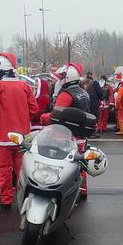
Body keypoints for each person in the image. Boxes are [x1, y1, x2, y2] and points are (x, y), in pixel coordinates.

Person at [0, 53, 39, 209]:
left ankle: (6, 200)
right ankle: (23, 198)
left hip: (2, 136)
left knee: (4, 170)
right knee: (22, 170)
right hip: (23, 136)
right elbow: (34, 110)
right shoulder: (24, 86)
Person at [40, 63, 92, 197]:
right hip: (81, 134)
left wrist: (42, 117)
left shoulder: (66, 95)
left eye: (60, 78)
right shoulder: (83, 92)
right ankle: (83, 190)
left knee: (62, 164)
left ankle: (64, 191)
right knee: (80, 162)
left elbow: (55, 116)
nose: (57, 81)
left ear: (66, 78)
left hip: (65, 135)